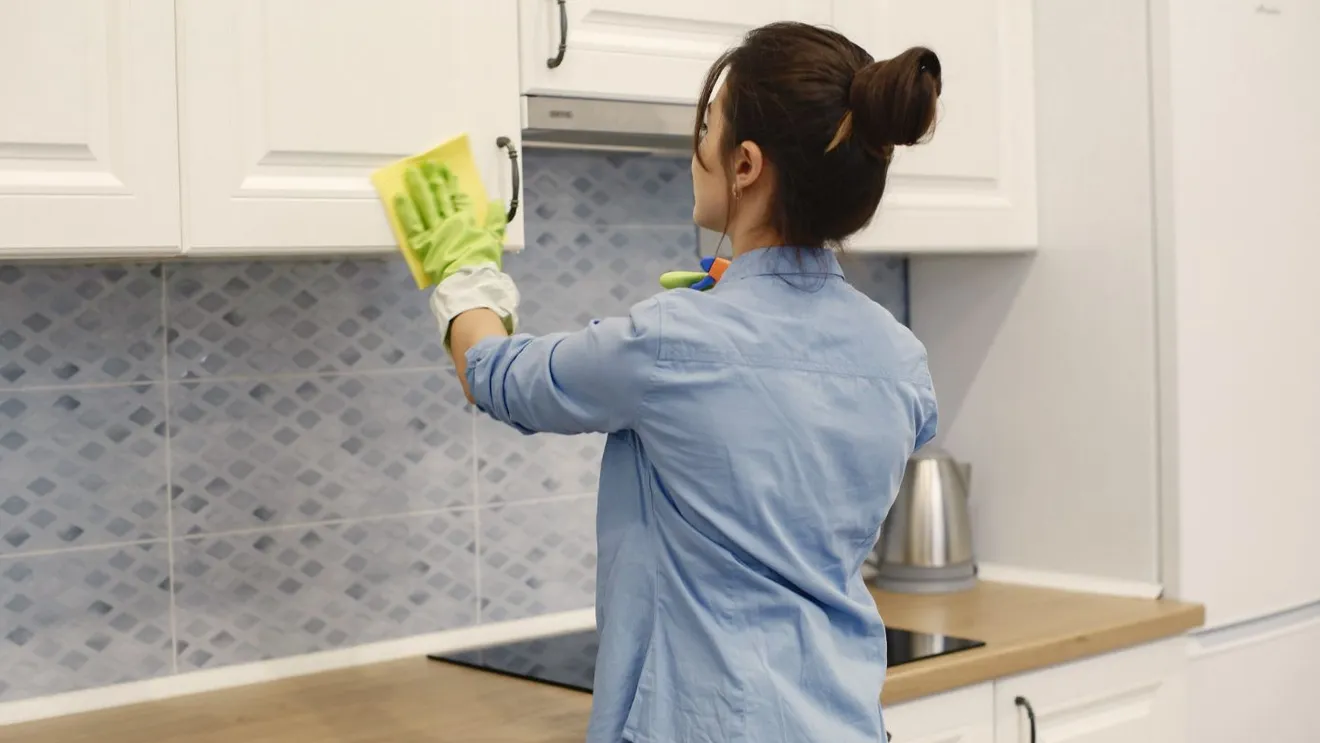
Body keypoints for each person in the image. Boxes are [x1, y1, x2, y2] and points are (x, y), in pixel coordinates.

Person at [407, 20, 941, 743]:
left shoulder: (670, 343)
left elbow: (495, 374)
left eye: (707, 126)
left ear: (745, 164)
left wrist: (463, 272)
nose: (695, 150)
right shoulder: (901, 359)